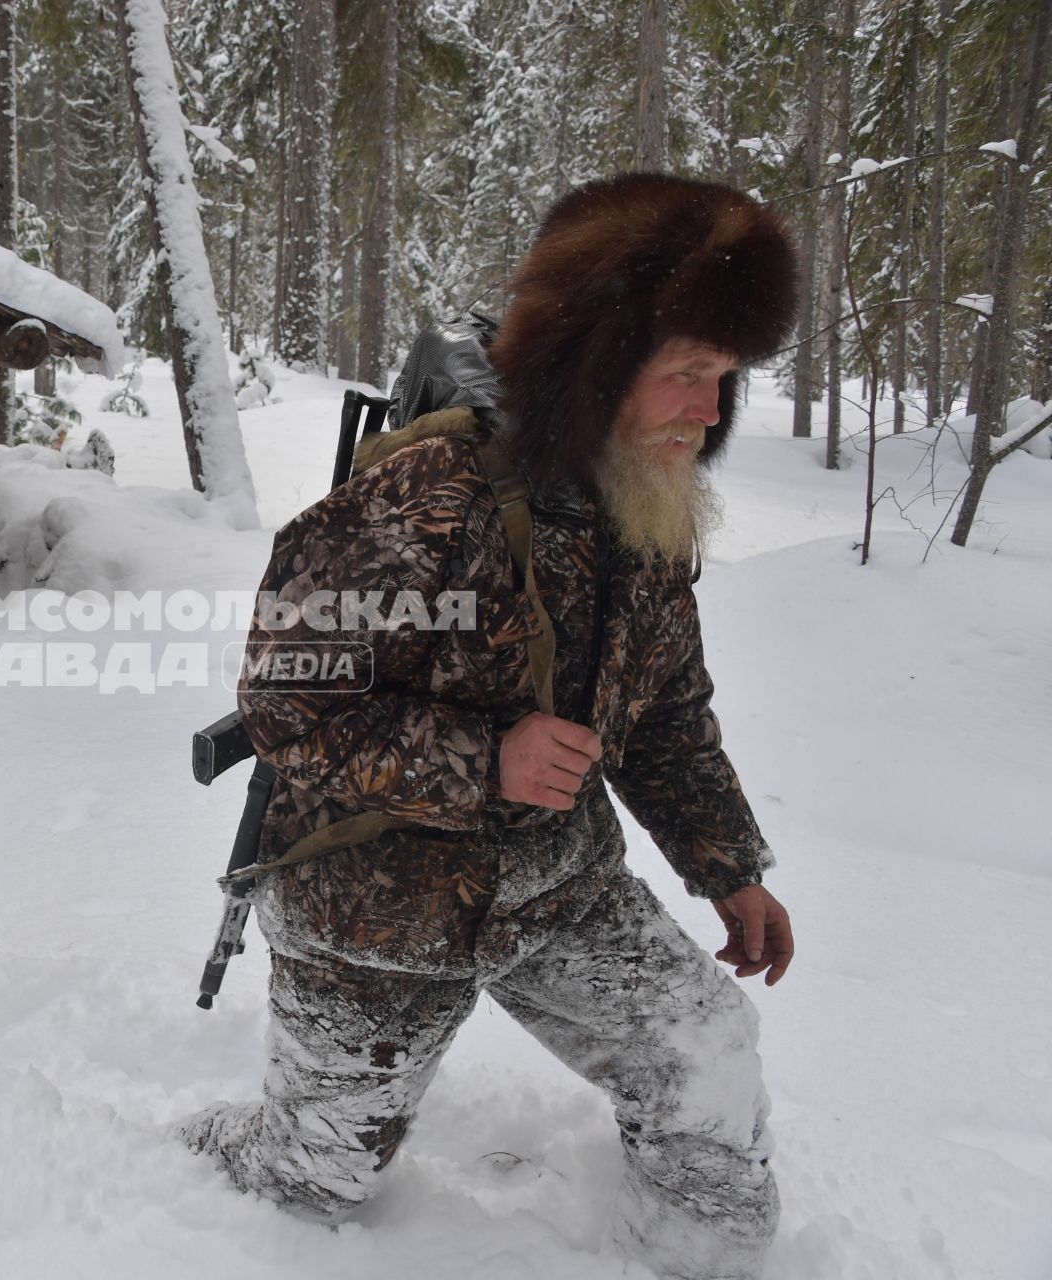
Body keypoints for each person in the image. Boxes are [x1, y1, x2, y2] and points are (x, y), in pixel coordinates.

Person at [182, 172, 800, 1280]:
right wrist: (487, 756)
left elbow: (665, 712)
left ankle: (691, 1263)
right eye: (688, 375)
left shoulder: (645, 498)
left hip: (560, 889)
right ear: (606, 361)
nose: (709, 413)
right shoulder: (426, 493)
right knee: (315, 1184)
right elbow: (289, 702)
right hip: (375, 907)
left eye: (724, 380)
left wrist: (729, 868)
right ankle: (219, 1156)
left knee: (705, 1058)